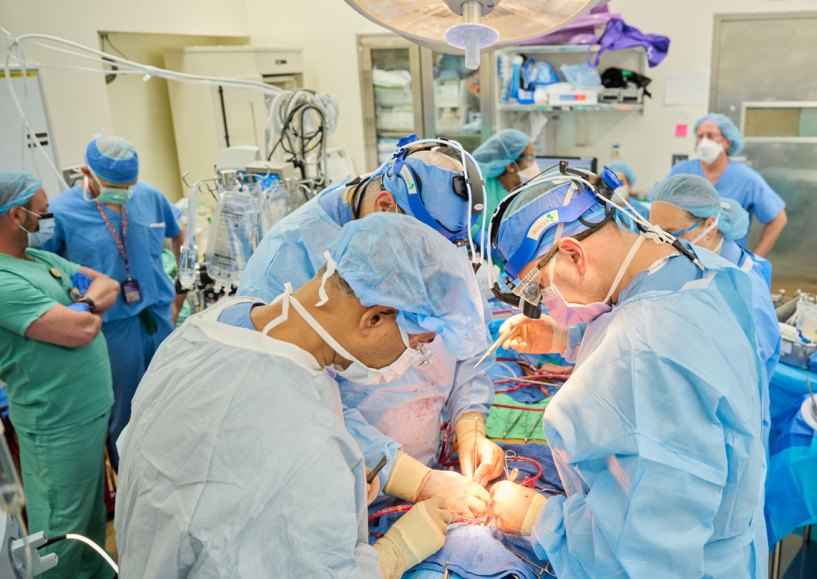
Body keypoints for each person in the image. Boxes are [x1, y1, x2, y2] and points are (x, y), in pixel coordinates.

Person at [116, 213, 492, 578]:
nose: (414, 361)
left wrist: (325, 487)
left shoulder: (207, 327)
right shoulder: (300, 429)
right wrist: (397, 550)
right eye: (419, 348)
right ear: (374, 318)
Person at [484, 171, 767, 577]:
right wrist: (567, 336)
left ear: (574, 254)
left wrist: (536, 518)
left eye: (539, 287)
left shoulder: (642, 352)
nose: (545, 301)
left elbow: (643, 557)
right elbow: (667, 331)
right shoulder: (696, 264)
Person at [238, 138, 504, 501]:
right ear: (385, 207)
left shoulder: (436, 235)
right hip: (354, 483)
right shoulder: (288, 261)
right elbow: (298, 404)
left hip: (434, 466)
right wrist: (408, 477)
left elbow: (463, 330)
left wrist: (469, 420)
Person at [0, 172, 121, 579]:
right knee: (60, 536)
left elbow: (108, 285)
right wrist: (86, 308)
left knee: (88, 527)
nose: (49, 217)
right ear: (17, 216)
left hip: (86, 412)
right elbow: (80, 330)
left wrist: (82, 304)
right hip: (56, 424)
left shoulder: (40, 260)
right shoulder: (3, 280)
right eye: (43, 210)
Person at [42, 136, 184, 464]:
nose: (123, 193)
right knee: (127, 411)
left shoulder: (148, 196)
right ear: (85, 173)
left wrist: (180, 290)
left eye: (128, 185)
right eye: (113, 185)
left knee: (173, 398)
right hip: (112, 327)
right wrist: (73, 307)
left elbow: (178, 233)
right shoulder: (62, 212)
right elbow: (45, 264)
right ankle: (133, 484)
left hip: (160, 315)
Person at [649, 174, 780, 446]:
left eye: (670, 234)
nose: (661, 244)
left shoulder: (748, 297)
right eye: (654, 233)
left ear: (710, 225)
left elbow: (739, 386)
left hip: (727, 429)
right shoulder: (694, 262)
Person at [668, 113, 787, 256]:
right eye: (700, 136)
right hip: (683, 257)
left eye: (711, 136)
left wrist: (755, 258)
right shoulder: (682, 171)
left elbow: (778, 218)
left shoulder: (746, 178)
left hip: (727, 262)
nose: (704, 141)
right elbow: (656, 206)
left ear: (727, 142)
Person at [472, 128, 538, 224]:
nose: (534, 163)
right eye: (529, 158)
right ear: (511, 166)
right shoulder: (482, 193)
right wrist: (476, 233)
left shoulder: (527, 192)